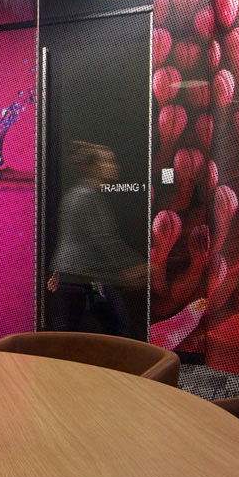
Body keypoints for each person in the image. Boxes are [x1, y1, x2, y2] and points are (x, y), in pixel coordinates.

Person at [49, 141, 145, 337]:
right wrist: (135, 266)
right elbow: (104, 240)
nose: (115, 166)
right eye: (109, 162)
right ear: (94, 167)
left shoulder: (77, 194)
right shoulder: (87, 197)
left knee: (70, 333)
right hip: (84, 277)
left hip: (73, 277)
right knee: (117, 329)